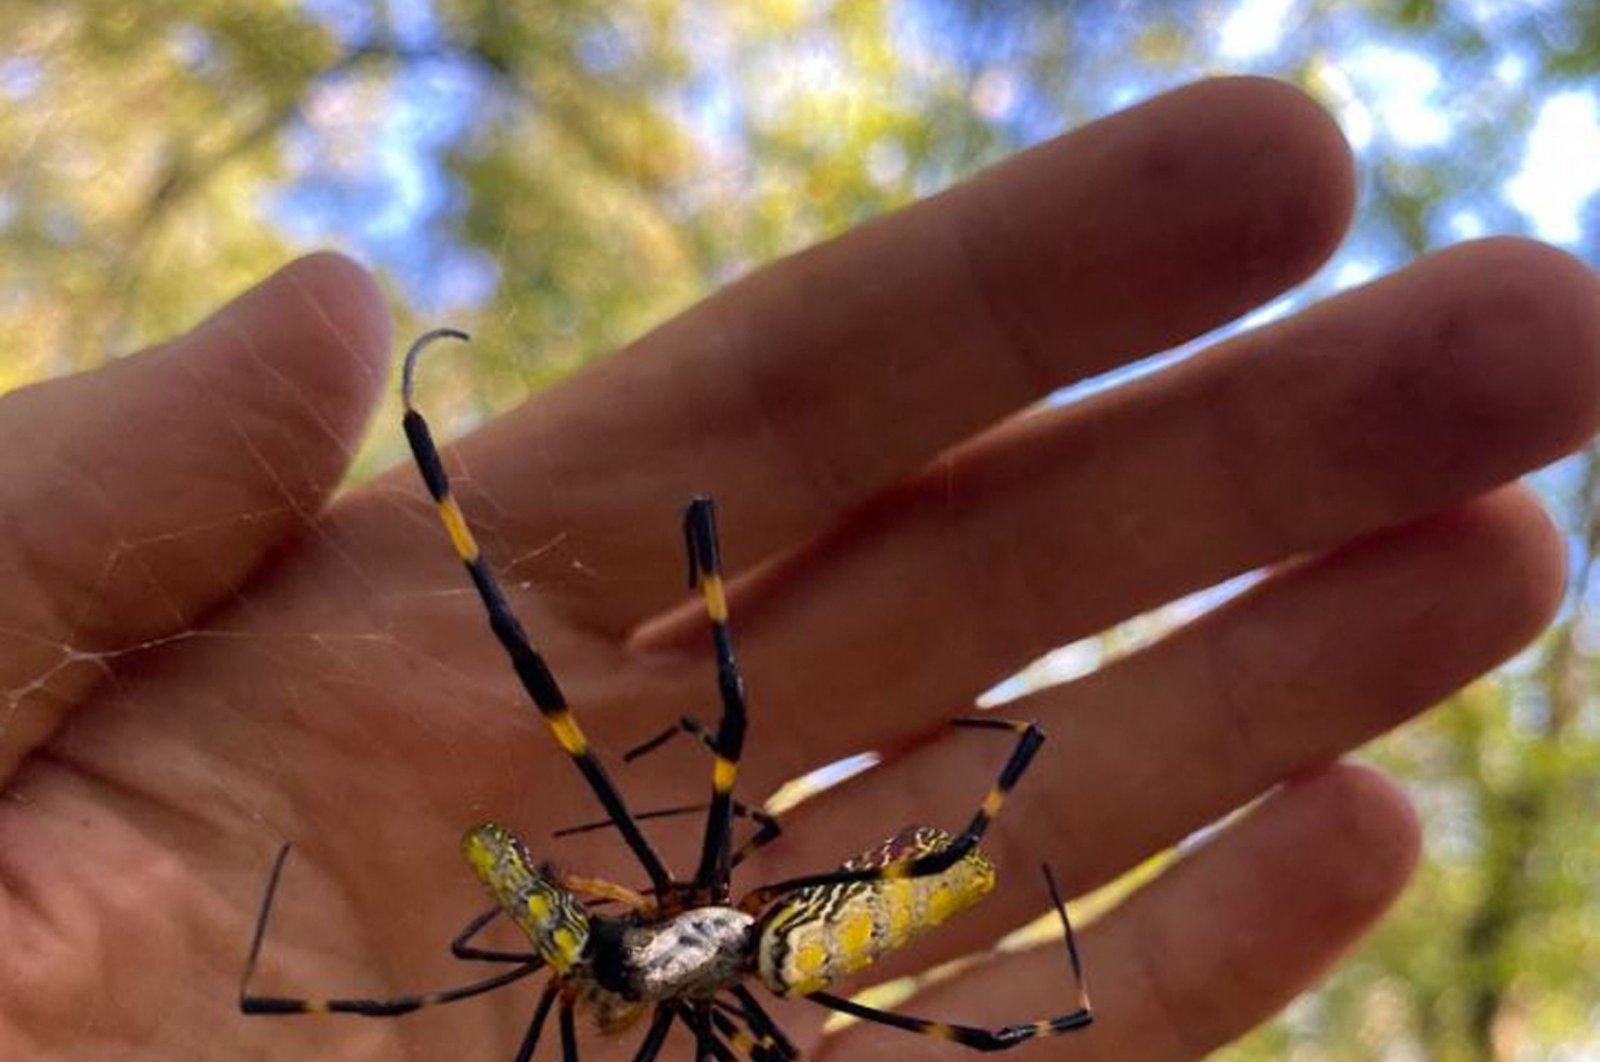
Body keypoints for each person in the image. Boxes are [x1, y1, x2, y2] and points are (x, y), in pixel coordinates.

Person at [3, 76, 1596, 1061]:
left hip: (724, 938)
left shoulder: (654, 951)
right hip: (713, 937)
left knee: (672, 766)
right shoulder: (650, 940)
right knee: (656, 752)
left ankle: (961, 785)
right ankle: (939, 765)